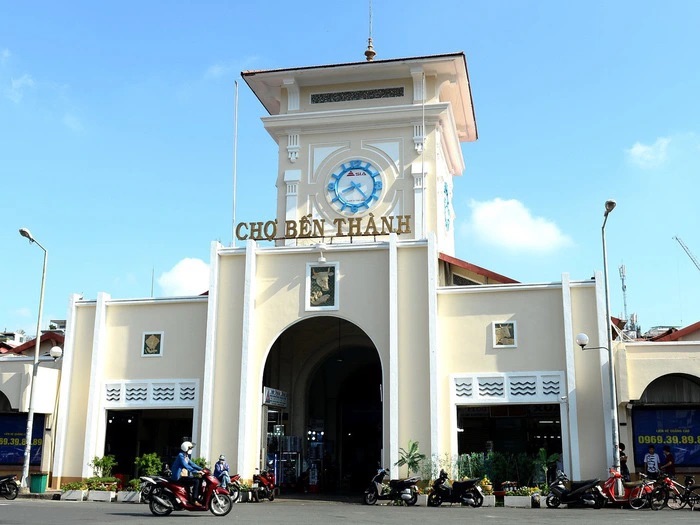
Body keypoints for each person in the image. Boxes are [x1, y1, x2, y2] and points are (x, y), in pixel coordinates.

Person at [170, 441, 203, 505]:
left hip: (181, 477)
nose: (191, 449)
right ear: (186, 448)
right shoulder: (181, 456)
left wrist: (202, 469)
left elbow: (192, 464)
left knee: (199, 479)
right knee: (196, 481)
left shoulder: (185, 456)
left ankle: (194, 497)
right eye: (190, 448)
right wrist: (196, 471)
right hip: (178, 478)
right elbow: (185, 465)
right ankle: (194, 500)